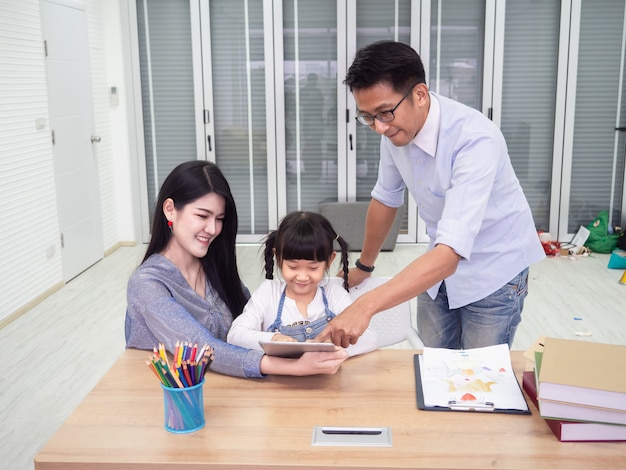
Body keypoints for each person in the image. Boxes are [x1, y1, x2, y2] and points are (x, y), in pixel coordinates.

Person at [316, 40, 545, 350]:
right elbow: (386, 199)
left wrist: (365, 306)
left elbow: (451, 253)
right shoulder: (395, 129)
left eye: (383, 113)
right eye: (367, 117)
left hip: (494, 271)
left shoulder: (475, 140)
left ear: (419, 94)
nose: (378, 128)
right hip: (437, 267)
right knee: (436, 368)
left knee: (480, 380)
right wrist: (365, 267)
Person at [125, 160, 348, 378]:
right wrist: (294, 367)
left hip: (229, 392)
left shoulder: (215, 268)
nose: (212, 229)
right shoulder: (147, 283)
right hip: (170, 399)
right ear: (170, 209)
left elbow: (251, 325)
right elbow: (200, 347)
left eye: (219, 218)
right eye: (202, 215)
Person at [227, 211, 377, 356]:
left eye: (313, 268)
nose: (302, 276)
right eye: (293, 267)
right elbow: (235, 335)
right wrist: (273, 339)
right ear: (278, 258)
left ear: (329, 261)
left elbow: (370, 338)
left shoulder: (335, 295)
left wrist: (332, 345)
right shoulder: (268, 293)